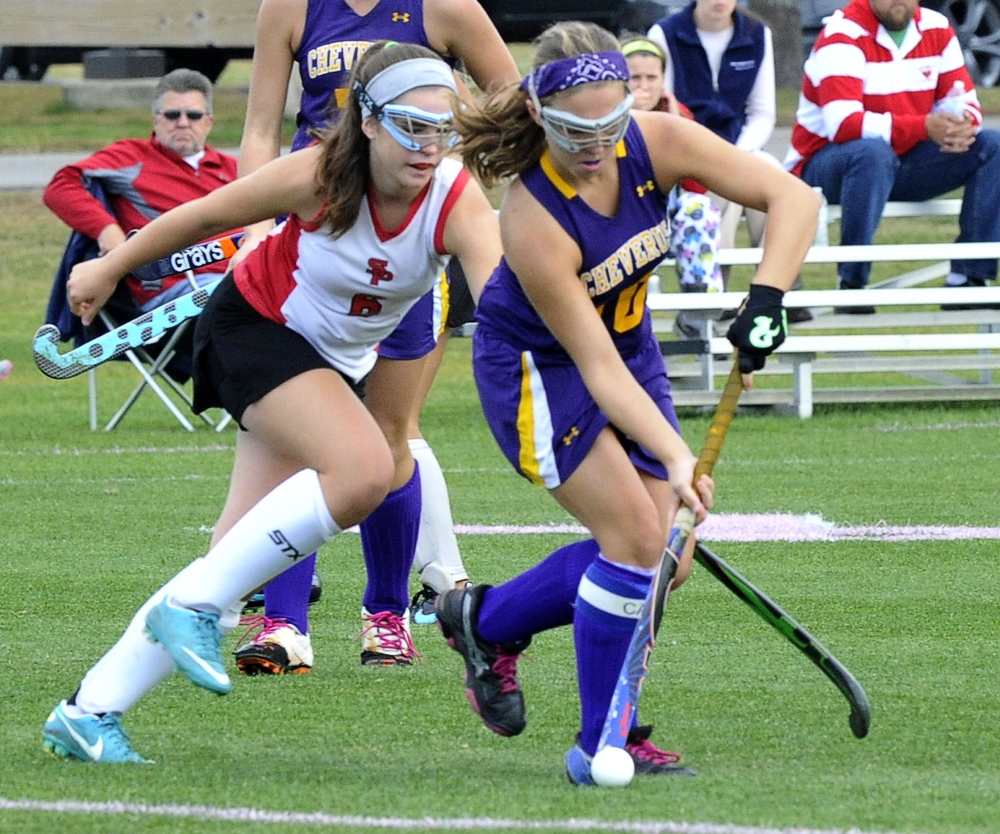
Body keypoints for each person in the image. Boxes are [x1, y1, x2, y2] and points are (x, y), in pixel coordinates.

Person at [42, 42, 503, 764]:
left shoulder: (455, 199)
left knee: (232, 559)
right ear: (372, 122)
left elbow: (502, 299)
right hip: (251, 331)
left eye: (442, 130)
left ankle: (89, 710)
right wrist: (109, 265)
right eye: (411, 126)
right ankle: (190, 610)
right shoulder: (318, 175)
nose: (428, 146)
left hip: (326, 358)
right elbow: (200, 217)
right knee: (365, 469)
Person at [437, 22, 818, 784]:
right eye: (578, 128)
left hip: (631, 349)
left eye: (612, 122)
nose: (598, 143)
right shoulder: (532, 216)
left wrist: (769, 297)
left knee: (664, 560)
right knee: (640, 544)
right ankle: (603, 741)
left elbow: (792, 196)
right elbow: (595, 369)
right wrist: (676, 456)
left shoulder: (656, 140)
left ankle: (485, 620)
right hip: (538, 372)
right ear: (542, 114)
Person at [230, 0, 520, 673]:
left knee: (388, 435)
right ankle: (283, 625)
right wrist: (253, 227)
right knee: (298, 440)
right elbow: (259, 131)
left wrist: (449, 172)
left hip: (406, 248)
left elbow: (513, 112)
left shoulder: (447, 9)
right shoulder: (291, 8)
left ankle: (386, 617)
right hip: (315, 244)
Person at [784, 0, 1000, 314]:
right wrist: (925, 127)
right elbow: (844, 125)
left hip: (898, 162)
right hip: (823, 166)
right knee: (872, 153)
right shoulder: (842, 32)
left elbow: (966, 102)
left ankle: (968, 279)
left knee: (992, 144)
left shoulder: (936, 27)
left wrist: (960, 124)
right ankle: (852, 285)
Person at [646, 0, 811, 322]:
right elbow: (665, 109)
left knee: (774, 176)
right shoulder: (665, 33)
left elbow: (762, 113)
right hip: (687, 149)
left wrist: (736, 155)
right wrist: (714, 158)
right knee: (724, 190)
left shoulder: (756, 33)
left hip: (741, 146)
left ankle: (781, 287)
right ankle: (717, 291)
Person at [43, 69, 239, 314]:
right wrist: (109, 233)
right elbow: (61, 186)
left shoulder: (236, 170)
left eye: (194, 115)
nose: (183, 123)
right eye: (172, 114)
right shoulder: (131, 157)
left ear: (209, 121)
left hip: (241, 275)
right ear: (156, 120)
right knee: (235, 297)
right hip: (177, 290)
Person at [621, 34, 725, 340]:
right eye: (634, 77)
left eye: (651, 77)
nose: (643, 85)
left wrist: (677, 123)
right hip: (623, 213)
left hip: (666, 213)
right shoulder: (607, 116)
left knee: (699, 208)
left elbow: (698, 184)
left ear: (663, 80)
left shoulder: (678, 114)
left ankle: (698, 307)